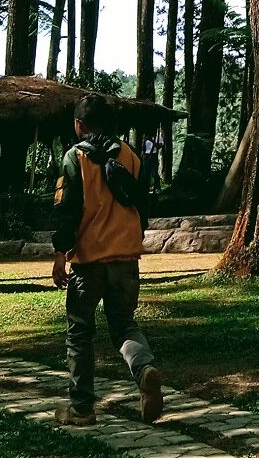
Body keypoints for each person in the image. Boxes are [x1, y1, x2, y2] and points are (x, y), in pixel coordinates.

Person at [51, 93, 162, 426]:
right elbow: (143, 206)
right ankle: (144, 370)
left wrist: (60, 256)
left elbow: (67, 211)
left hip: (90, 262)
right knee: (124, 325)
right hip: (127, 259)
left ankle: (82, 409)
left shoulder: (75, 158)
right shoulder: (130, 156)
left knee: (80, 333)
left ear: (79, 125)